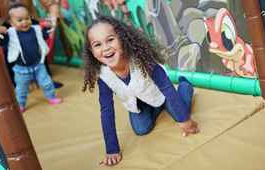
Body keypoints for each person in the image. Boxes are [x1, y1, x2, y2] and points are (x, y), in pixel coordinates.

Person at [83, 16, 199, 166]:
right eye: (97, 44)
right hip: (138, 104)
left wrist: (184, 120)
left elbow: (166, 88)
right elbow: (106, 110)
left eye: (110, 40)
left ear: (122, 38)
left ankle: (185, 87)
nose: (105, 48)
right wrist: (112, 149)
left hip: (160, 94)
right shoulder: (103, 74)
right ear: (92, 51)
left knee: (180, 111)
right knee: (141, 129)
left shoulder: (141, 59)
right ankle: (157, 109)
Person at [0, 2, 62, 112]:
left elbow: (45, 35)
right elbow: (2, 42)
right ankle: (21, 104)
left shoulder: (36, 29)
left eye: (27, 18)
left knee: (47, 83)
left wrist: (47, 27)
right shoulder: (10, 33)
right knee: (21, 89)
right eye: (19, 20)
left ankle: (52, 97)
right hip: (21, 69)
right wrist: (2, 33)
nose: (24, 22)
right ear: (11, 22)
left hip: (38, 65)